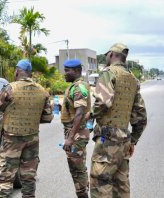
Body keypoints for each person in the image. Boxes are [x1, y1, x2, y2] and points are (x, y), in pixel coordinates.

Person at [87, 43, 147, 197]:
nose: (106, 57)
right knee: (121, 184)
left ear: (112, 54)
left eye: (107, 54)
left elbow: (102, 102)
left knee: (100, 183)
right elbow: (141, 116)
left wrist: (91, 115)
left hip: (108, 139)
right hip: (124, 140)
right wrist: (133, 140)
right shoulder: (132, 78)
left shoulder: (108, 73)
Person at [0, 59, 53, 198]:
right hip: (32, 139)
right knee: (28, 178)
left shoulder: (10, 89)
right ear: (30, 73)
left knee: (6, 178)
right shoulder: (42, 91)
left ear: (17, 71)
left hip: (12, 140)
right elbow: (48, 118)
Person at [60, 59, 91, 198]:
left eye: (68, 70)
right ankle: (84, 192)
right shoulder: (77, 86)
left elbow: (79, 113)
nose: (64, 73)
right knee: (79, 168)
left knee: (77, 170)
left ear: (77, 71)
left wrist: (70, 138)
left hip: (76, 133)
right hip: (77, 132)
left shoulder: (78, 88)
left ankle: (83, 194)